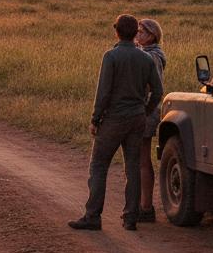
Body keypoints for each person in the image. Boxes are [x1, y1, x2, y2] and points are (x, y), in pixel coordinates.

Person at [69, 14, 164, 232]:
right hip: (137, 119)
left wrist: (95, 119)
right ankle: (131, 217)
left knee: (98, 166)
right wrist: (145, 111)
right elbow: (158, 91)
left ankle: (92, 216)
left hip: (113, 118)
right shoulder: (146, 58)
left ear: (117, 32)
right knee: (133, 167)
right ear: (134, 33)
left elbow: (103, 93)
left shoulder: (111, 56)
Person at [135, 18, 166, 222]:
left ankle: (146, 206)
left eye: (142, 32)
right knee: (140, 158)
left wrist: (145, 110)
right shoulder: (148, 52)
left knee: (143, 159)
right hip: (147, 109)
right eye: (137, 31)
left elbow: (153, 87)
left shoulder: (152, 56)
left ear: (152, 35)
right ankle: (142, 205)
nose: (138, 34)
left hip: (147, 109)